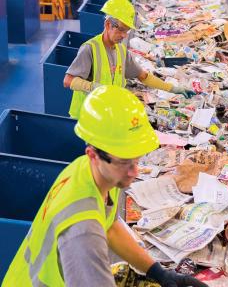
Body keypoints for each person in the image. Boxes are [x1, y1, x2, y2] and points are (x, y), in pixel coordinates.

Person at [2, 86, 206, 287]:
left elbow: (109, 227)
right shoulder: (83, 232)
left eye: (136, 159)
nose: (134, 172)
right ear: (93, 154)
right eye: (124, 162)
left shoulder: (89, 170)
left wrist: (158, 272)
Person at [63, 0, 195, 119]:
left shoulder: (121, 51)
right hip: (86, 117)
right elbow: (68, 81)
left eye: (126, 31)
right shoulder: (90, 49)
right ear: (108, 24)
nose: (123, 35)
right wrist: (94, 87)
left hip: (107, 116)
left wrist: (173, 89)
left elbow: (143, 76)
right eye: (120, 30)